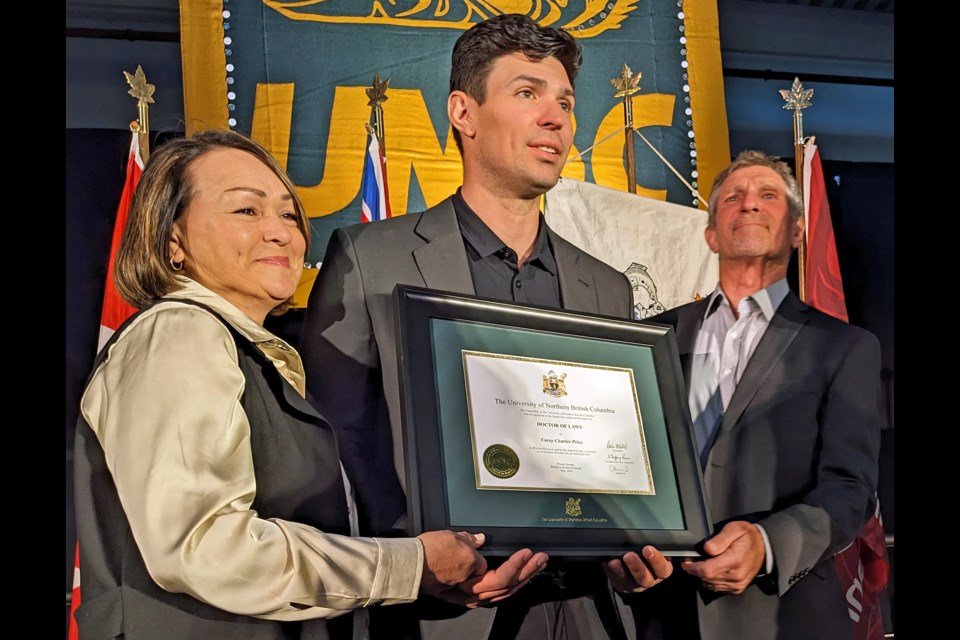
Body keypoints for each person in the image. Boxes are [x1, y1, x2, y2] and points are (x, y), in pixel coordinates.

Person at [72, 129, 549, 640]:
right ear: (173, 240)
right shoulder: (179, 332)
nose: (281, 232)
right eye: (246, 211)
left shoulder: (250, 353)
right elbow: (204, 545)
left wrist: (419, 579)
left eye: (288, 213)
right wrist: (408, 565)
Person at [300, 13, 672, 640]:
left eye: (565, 102)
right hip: (445, 612)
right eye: (527, 93)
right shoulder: (369, 259)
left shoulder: (607, 286)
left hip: (590, 609)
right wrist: (423, 566)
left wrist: (643, 540)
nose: (555, 118)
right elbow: (340, 442)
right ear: (463, 113)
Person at [628, 150, 883, 640]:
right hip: (659, 611)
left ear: (797, 231)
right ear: (710, 234)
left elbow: (850, 488)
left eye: (768, 196)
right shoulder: (650, 337)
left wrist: (768, 544)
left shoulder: (845, 347)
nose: (749, 205)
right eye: (732, 197)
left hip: (781, 615)